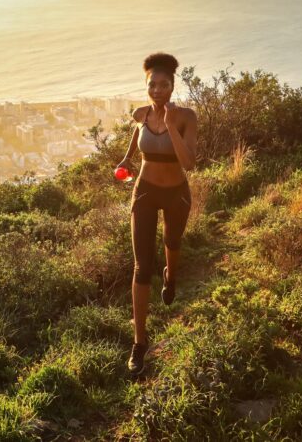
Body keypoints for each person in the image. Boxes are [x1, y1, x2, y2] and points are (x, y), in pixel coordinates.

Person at [116, 52, 197, 377]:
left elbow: (189, 162)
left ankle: (172, 277)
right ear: (146, 85)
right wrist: (125, 160)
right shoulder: (141, 114)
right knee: (141, 266)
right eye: (153, 84)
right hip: (146, 192)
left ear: (173, 85)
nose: (158, 89)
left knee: (173, 242)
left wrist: (170, 123)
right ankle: (139, 342)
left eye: (164, 84)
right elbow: (137, 135)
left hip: (177, 192)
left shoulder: (187, 117)